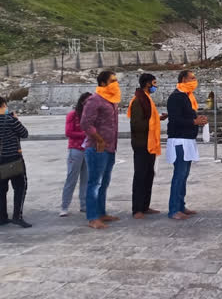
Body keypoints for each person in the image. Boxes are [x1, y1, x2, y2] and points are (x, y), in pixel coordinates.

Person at [0, 93, 31, 228]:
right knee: (20, 186)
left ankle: (2, 217)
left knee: (1, 187)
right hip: (11, 157)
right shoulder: (10, 120)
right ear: (4, 105)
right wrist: (16, 119)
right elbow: (24, 133)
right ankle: (17, 216)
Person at [81, 71, 121, 230]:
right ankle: (92, 217)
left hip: (110, 147)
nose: (116, 83)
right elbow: (85, 123)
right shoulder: (94, 100)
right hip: (98, 147)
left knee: (104, 182)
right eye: (113, 80)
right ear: (103, 83)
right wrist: (99, 139)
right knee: (94, 183)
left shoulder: (111, 100)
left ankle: (101, 212)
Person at [166, 70, 207, 220]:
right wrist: (194, 122)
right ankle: (174, 209)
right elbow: (175, 119)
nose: (194, 81)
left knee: (184, 175)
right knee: (179, 174)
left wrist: (197, 119)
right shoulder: (177, 97)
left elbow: (186, 115)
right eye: (192, 78)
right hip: (179, 140)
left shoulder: (187, 97)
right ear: (183, 79)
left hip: (187, 139)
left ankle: (180, 205)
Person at [127, 73, 168, 219]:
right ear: (147, 84)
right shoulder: (138, 101)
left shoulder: (147, 99)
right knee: (140, 175)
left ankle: (145, 205)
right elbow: (137, 124)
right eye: (154, 83)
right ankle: (137, 208)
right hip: (141, 143)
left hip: (150, 143)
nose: (155, 86)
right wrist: (154, 121)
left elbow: (149, 118)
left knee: (149, 174)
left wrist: (158, 118)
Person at [59, 92, 91, 217]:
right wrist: (85, 134)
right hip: (76, 150)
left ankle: (84, 205)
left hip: (88, 150)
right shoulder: (73, 115)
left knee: (86, 179)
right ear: (82, 102)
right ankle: (64, 206)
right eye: (87, 101)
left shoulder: (91, 116)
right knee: (71, 178)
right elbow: (68, 132)